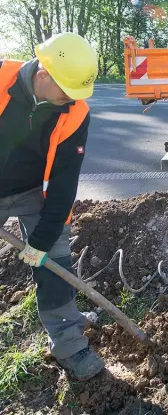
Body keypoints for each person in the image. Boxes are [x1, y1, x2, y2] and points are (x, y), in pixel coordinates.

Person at [0, 33, 105, 380]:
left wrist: (41, 242)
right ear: (44, 74)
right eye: (66, 92)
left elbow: (64, 180)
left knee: (54, 264)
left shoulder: (76, 110)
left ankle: (68, 342)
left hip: (36, 194)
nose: (71, 101)